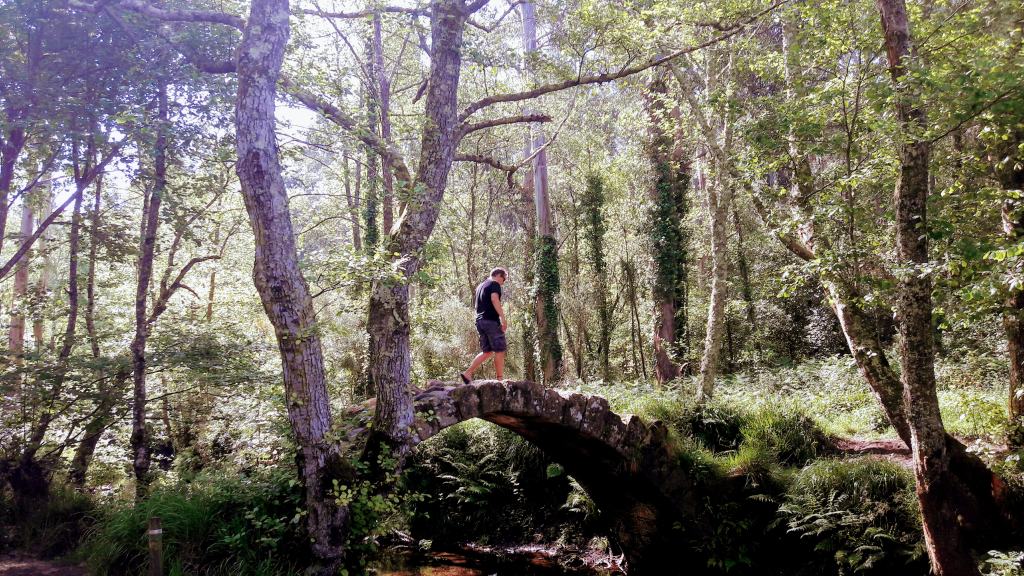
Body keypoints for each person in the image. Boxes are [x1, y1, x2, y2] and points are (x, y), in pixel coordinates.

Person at [460, 268, 508, 383]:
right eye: (504, 279)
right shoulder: (494, 284)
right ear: (499, 275)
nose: (503, 282)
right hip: (491, 321)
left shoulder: (481, 286)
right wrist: (503, 318)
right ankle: (500, 380)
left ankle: (468, 373)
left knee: (487, 351)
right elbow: (494, 299)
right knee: (500, 349)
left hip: (480, 321)